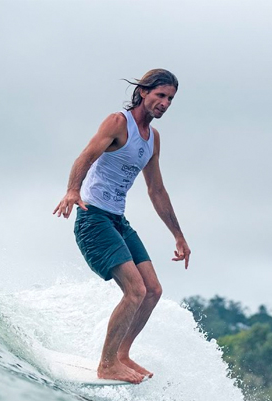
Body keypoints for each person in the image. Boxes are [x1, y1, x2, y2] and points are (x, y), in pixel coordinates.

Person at [53, 69, 191, 384]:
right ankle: (106, 363)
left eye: (170, 98)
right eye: (160, 95)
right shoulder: (118, 123)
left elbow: (156, 190)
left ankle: (121, 354)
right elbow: (86, 156)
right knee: (135, 291)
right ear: (143, 92)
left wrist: (179, 236)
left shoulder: (152, 139)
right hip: (93, 217)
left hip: (117, 219)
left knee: (153, 290)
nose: (165, 103)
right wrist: (73, 190)